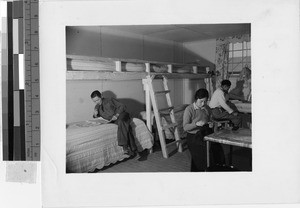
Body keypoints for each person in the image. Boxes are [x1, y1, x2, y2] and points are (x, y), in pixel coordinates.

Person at [183, 88, 225, 172]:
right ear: (196, 99)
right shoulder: (189, 109)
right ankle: (203, 172)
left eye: (205, 101)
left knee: (217, 150)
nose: (203, 104)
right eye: (201, 101)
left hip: (205, 133)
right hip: (194, 136)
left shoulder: (207, 108)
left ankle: (217, 170)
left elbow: (210, 119)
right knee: (204, 154)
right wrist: (196, 124)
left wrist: (211, 123)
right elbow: (185, 127)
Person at [90, 90, 137, 156]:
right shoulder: (97, 107)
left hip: (121, 115)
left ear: (101, 96)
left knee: (121, 121)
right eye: (94, 101)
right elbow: (97, 116)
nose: (96, 102)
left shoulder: (110, 100)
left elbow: (122, 106)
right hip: (113, 120)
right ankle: (134, 150)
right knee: (126, 127)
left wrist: (116, 115)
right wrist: (95, 115)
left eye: (97, 100)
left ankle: (125, 147)